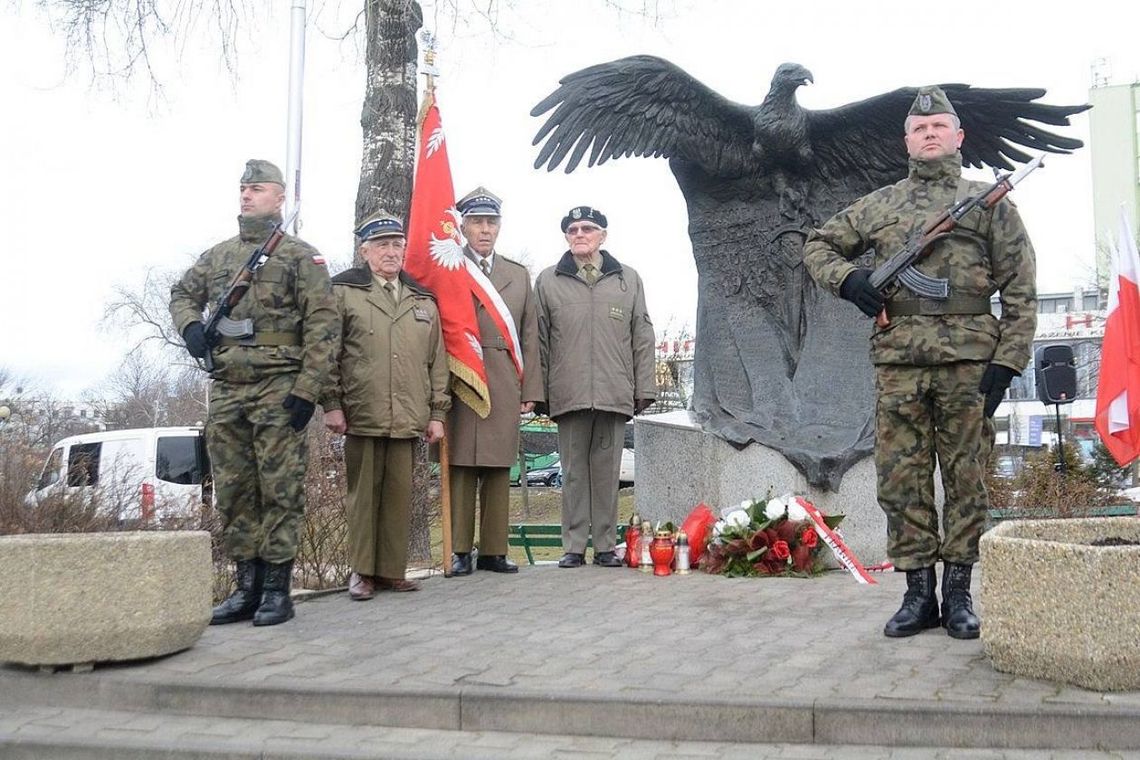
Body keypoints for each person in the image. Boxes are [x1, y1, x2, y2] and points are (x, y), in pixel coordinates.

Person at [802, 87, 1037, 640]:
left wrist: (1007, 362)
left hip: (969, 366)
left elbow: (1022, 293)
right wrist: (850, 279)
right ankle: (916, 595)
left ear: (958, 137)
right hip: (899, 366)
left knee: (966, 480)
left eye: (940, 126)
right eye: (919, 127)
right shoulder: (879, 204)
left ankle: (958, 593)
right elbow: (817, 245)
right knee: (901, 481)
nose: (929, 133)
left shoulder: (989, 203)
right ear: (906, 140)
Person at [170, 159, 337, 626]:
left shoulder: (300, 256)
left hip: (279, 387)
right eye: (243, 188)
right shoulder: (220, 256)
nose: (246, 195)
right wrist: (189, 328)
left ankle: (275, 590)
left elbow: (325, 324)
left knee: (279, 489)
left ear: (279, 196)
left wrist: (308, 389)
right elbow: (182, 293)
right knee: (235, 490)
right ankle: (246, 586)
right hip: (227, 388)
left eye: (257, 188)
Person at [321, 212, 450, 600]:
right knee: (363, 497)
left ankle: (392, 570)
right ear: (365, 251)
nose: (391, 252)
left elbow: (437, 361)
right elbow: (327, 353)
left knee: (399, 496)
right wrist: (331, 404)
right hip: (362, 411)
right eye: (381, 245)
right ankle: (362, 572)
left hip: (409, 412)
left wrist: (437, 412)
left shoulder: (422, 298)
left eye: (396, 245)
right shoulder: (343, 292)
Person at [534, 206, 657, 569]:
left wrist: (644, 387)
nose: (579, 234)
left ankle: (605, 544)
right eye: (572, 229)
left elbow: (642, 334)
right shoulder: (548, 280)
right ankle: (573, 546)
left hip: (613, 391)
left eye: (587, 228)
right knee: (572, 473)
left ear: (603, 235)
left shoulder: (627, 279)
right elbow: (538, 339)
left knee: (608, 472)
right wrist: (539, 393)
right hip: (568, 392)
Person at [447, 187, 543, 576]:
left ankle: (493, 550)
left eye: (491, 222)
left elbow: (531, 335)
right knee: (461, 465)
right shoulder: (449, 268)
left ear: (499, 227)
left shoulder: (518, 275)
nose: (484, 230)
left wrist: (531, 391)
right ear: (463, 226)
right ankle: (458, 549)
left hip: (504, 376)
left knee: (499, 467)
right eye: (476, 222)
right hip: (460, 374)